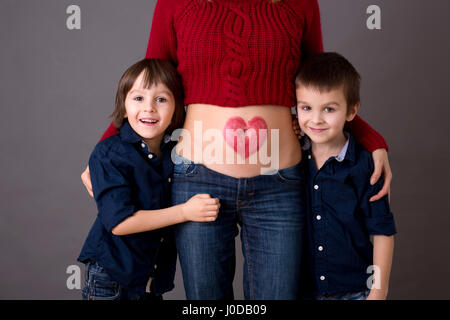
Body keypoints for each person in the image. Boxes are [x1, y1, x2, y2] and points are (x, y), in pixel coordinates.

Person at [81, 0, 393, 300]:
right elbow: (148, 81)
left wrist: (371, 138)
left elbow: (323, 85)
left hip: (279, 183)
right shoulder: (176, 2)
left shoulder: (299, 3)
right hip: (197, 181)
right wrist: (103, 150)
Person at [78, 59, 220, 300]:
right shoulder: (109, 154)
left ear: (177, 109)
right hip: (112, 280)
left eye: (161, 99)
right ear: (123, 107)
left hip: (150, 280)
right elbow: (120, 223)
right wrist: (185, 212)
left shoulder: (177, 149)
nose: (149, 108)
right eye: (138, 98)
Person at [295, 52, 396, 300]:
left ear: (352, 111)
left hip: (355, 290)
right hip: (301, 290)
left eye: (329, 109)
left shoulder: (366, 166)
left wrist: (378, 292)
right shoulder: (293, 160)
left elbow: (382, 231)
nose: (316, 119)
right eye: (306, 108)